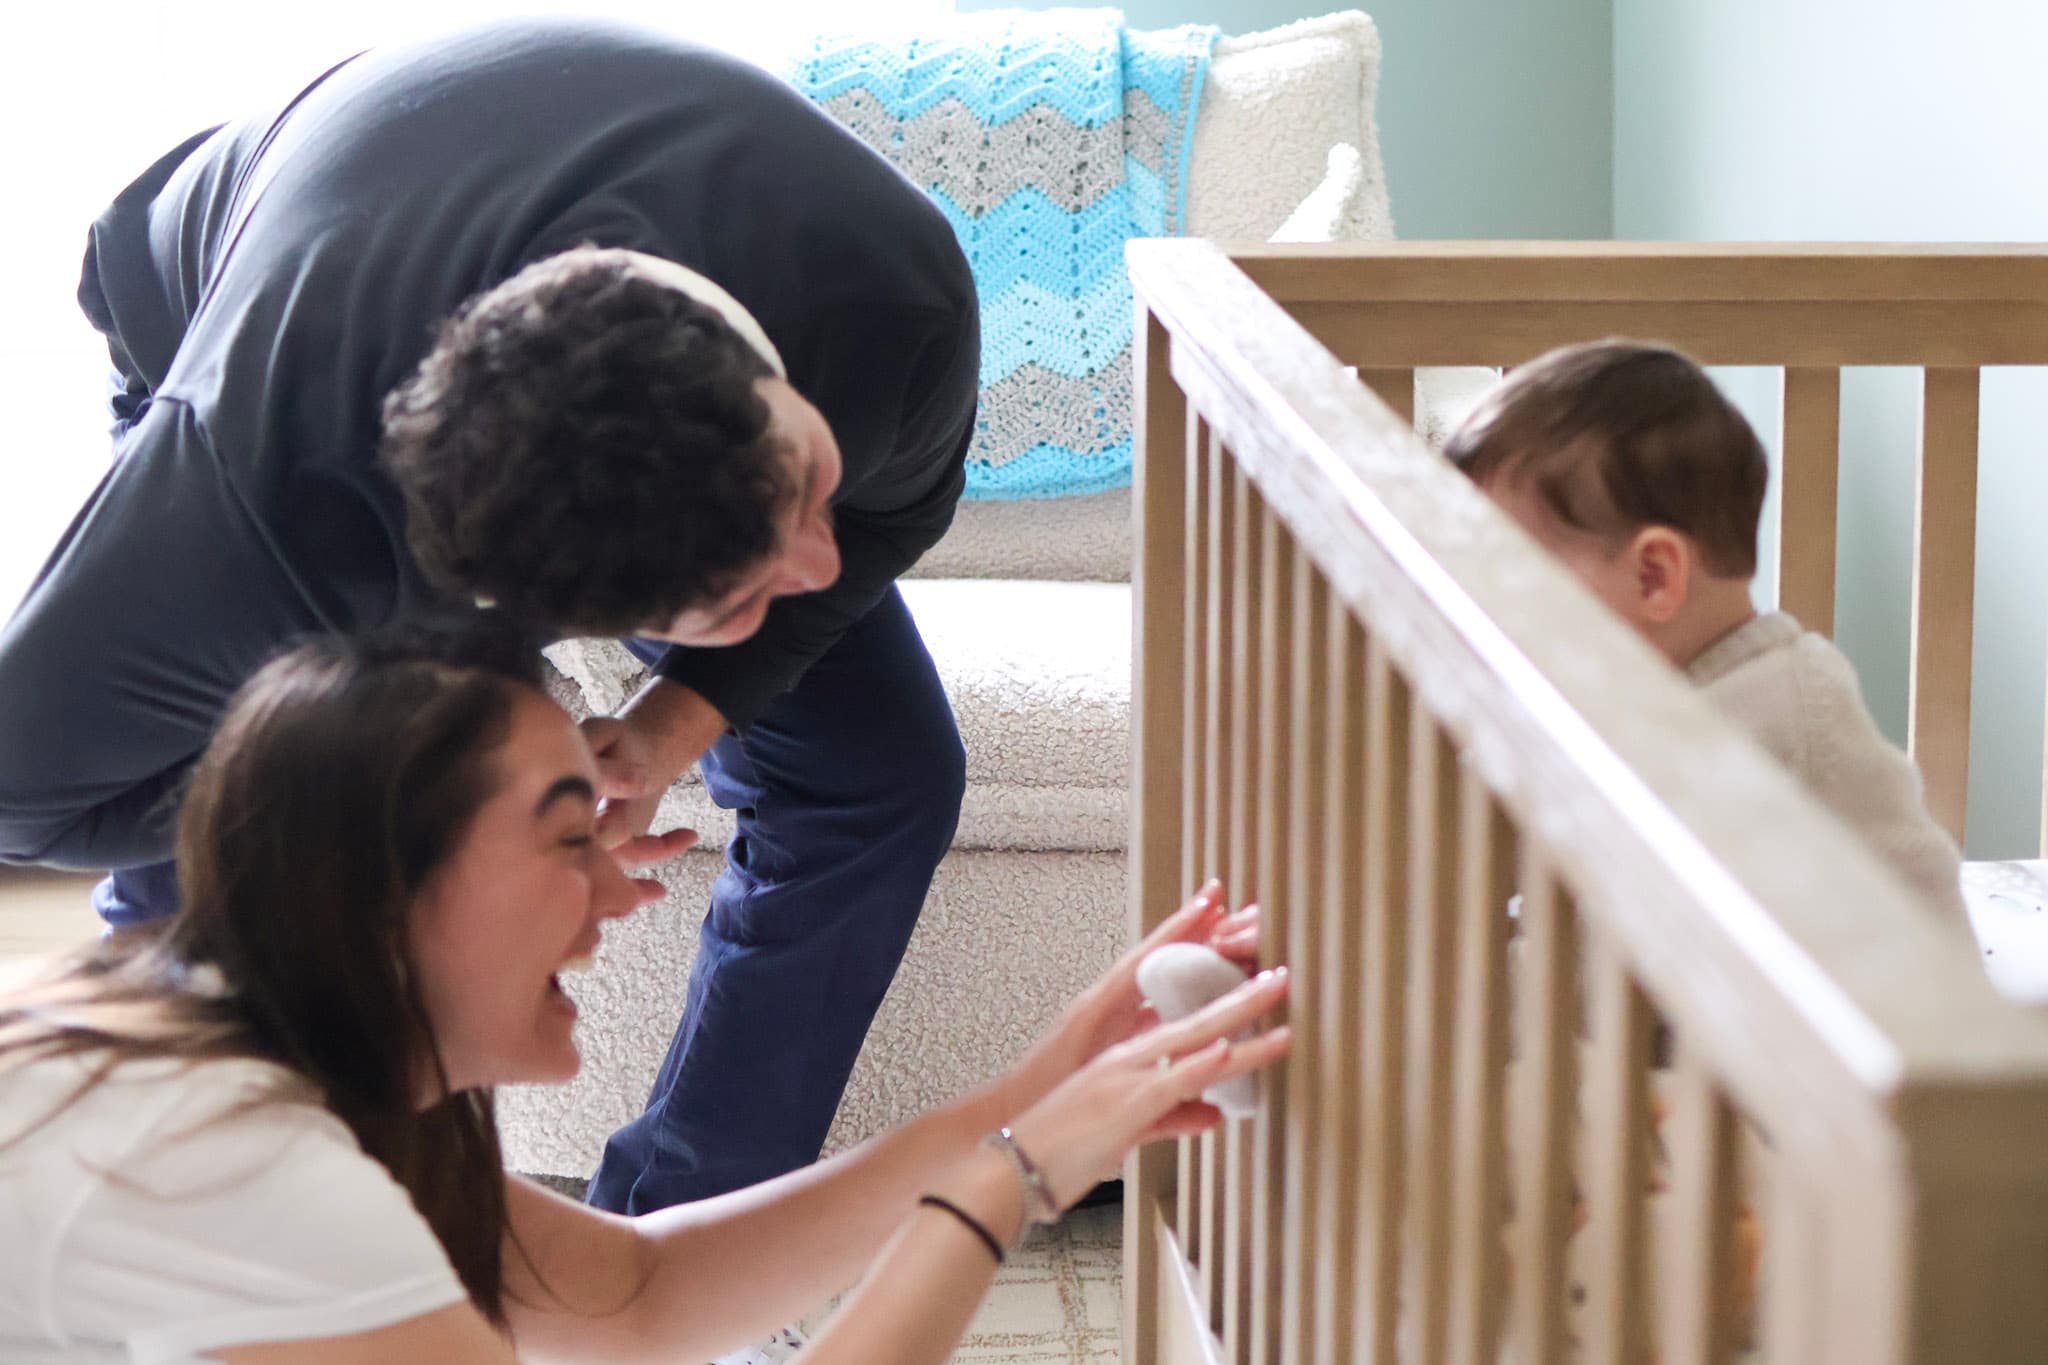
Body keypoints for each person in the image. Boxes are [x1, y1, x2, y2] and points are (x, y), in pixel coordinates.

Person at [0, 17, 981, 1217]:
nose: (816, 558)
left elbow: (878, 529)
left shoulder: (894, 314)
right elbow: (21, 790)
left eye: (805, 482)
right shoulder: (273, 496)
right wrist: (407, 784)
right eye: (736, 593)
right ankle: (210, 1208)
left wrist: (684, 713)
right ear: (566, 608)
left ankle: (680, 1231)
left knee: (886, 771)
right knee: (249, 834)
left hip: (547, 213)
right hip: (253, 304)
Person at [0, 627, 1291, 1363]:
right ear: (383, 885)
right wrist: (1003, 1181)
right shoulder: (224, 1156)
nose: (625, 893)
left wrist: (1035, 1094)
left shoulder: (264, 1049)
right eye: (571, 840)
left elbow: (641, 1294)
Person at [1446, 339, 1967, 924]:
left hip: (1891, 1007)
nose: (1483, 600)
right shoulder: (1640, 688)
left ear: (1653, 576)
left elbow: (1922, 912)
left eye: (1507, 569)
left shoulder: (1787, 711)